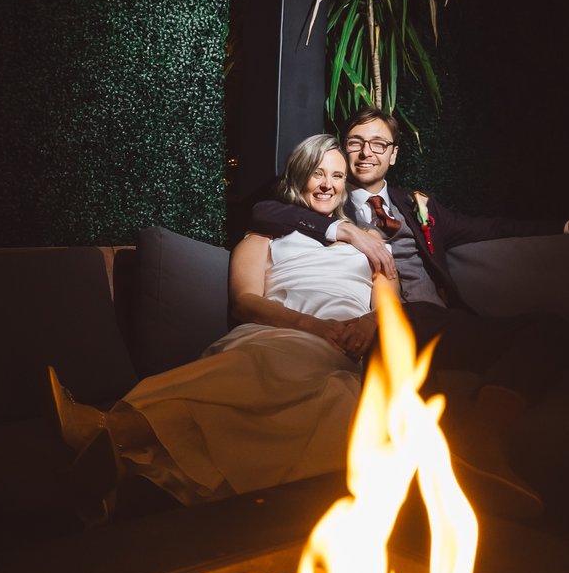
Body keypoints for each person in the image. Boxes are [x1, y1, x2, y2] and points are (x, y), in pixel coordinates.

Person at [247, 105, 569, 490]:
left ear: (394, 154)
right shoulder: (328, 198)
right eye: (355, 143)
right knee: (407, 365)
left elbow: (490, 226)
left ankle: (482, 434)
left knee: (551, 328)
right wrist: (345, 230)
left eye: (378, 144)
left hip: (436, 320)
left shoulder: (419, 204)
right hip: (374, 321)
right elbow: (265, 210)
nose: (366, 153)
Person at [51, 134, 383, 510]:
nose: (328, 184)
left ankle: (115, 447)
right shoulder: (265, 236)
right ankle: (116, 447)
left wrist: (371, 324)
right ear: (298, 177)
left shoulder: (369, 242)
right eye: (317, 173)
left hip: (345, 344)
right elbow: (245, 301)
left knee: (333, 393)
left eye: (338, 176)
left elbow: (390, 305)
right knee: (267, 364)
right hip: (280, 332)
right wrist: (314, 327)